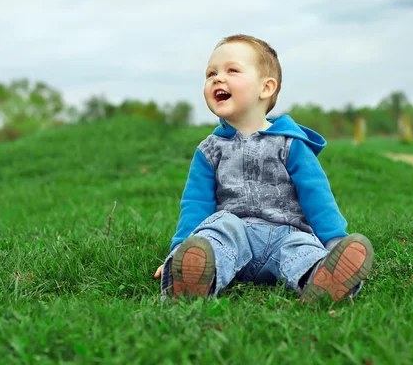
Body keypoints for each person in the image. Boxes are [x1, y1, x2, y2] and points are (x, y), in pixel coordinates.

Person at [153, 34, 374, 302]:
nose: (217, 78)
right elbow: (195, 205)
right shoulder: (209, 150)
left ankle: (322, 279)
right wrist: (179, 250)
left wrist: (335, 240)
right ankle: (190, 279)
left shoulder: (291, 144)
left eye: (231, 70)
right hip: (234, 241)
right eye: (210, 73)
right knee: (217, 231)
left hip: (285, 234)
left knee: (302, 247)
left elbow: (317, 196)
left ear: (266, 88)